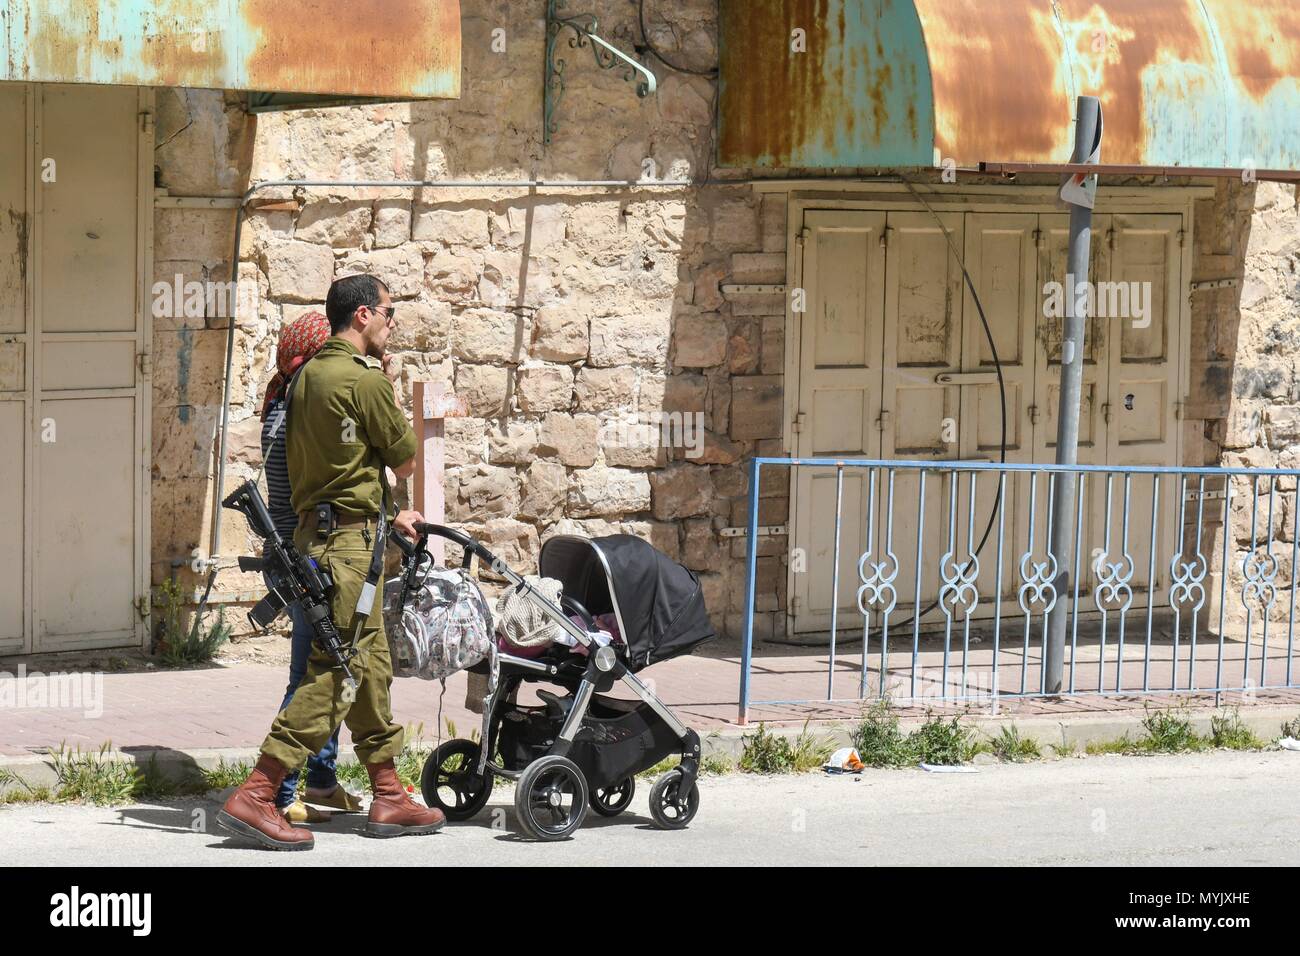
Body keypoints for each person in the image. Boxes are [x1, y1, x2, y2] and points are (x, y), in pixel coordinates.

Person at [219, 273, 442, 850]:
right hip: (349, 550)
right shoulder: (362, 379)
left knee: (367, 664)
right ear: (363, 315)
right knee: (335, 670)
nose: (392, 322)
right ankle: (260, 793)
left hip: (326, 543)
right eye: (388, 312)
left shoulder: (304, 380)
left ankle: (389, 793)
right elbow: (406, 459)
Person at [258, 311, 363, 825]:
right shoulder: (299, 408)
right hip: (305, 555)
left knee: (334, 664)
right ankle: (281, 792)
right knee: (310, 672)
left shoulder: (284, 401)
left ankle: (320, 780)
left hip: (299, 552)